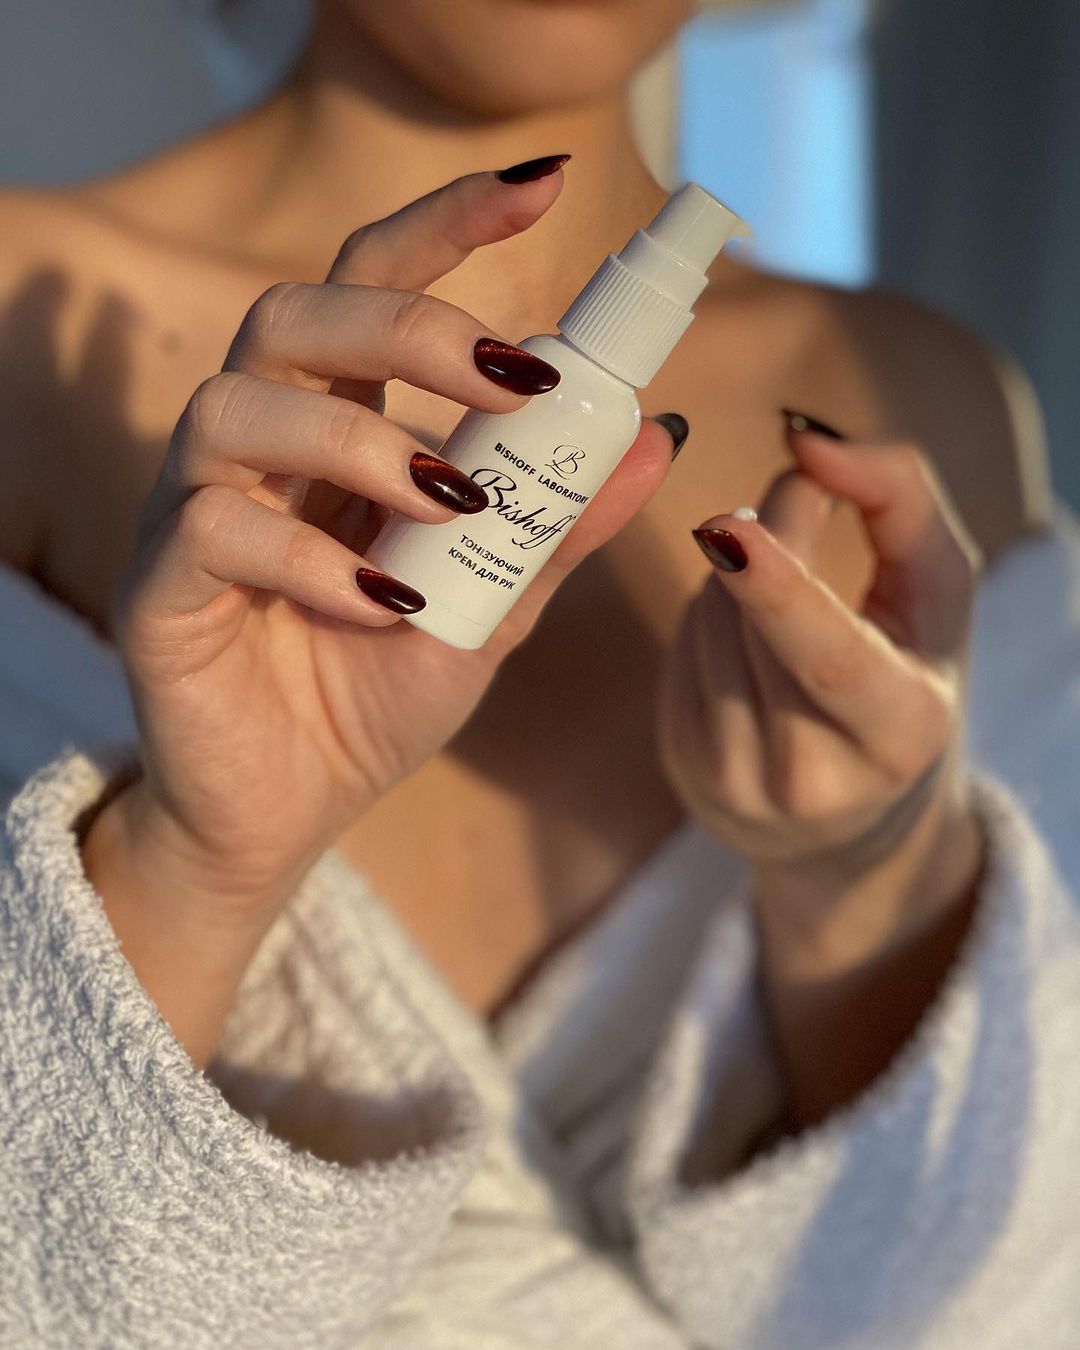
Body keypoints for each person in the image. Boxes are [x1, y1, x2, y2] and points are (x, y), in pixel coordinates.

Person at [1, 0, 1077, 1345]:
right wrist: (195, 869)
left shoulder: (925, 405)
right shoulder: (28, 326)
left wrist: (868, 889)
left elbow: (1000, 1299)